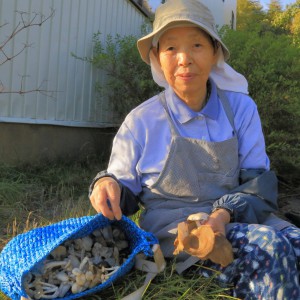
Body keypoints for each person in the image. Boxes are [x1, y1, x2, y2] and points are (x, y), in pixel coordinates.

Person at [89, 0, 300, 298]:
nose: (184, 58)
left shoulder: (240, 109)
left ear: (215, 53)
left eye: (197, 45)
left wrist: (222, 215)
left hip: (236, 217)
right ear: (156, 57)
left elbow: (259, 186)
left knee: (296, 243)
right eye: (171, 48)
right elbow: (123, 196)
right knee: (270, 249)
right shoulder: (142, 121)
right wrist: (105, 183)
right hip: (180, 232)